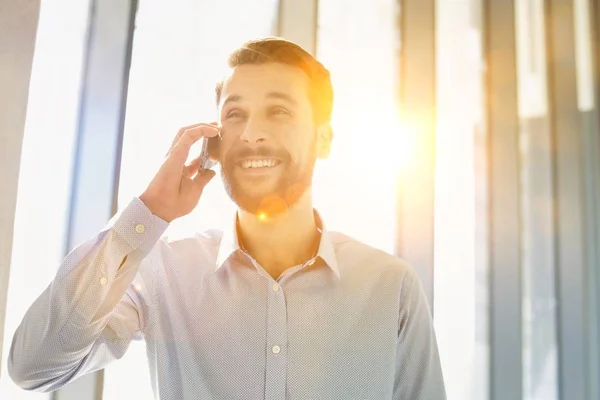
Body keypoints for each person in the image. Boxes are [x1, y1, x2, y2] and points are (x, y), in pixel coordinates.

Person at [8, 37, 446, 399]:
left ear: (323, 139)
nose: (252, 132)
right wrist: (148, 214)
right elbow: (35, 367)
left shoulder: (391, 288)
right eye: (235, 114)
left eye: (279, 111)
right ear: (214, 143)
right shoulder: (164, 273)